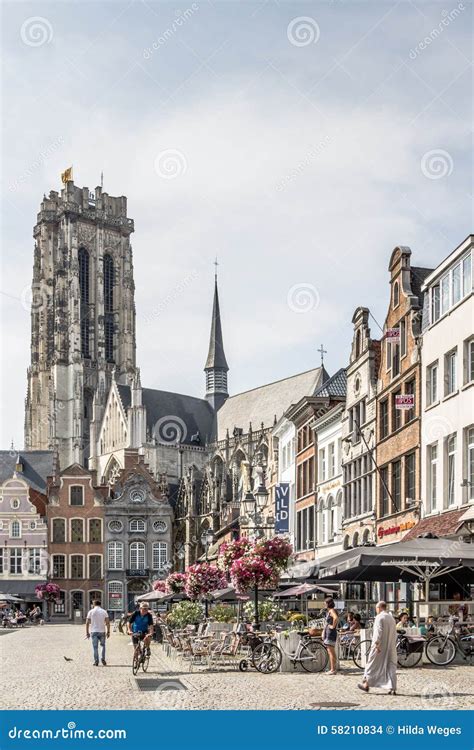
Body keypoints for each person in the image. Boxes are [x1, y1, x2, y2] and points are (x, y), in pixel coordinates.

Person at [358, 601, 397, 695]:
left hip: (379, 647)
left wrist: (376, 644)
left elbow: (378, 632)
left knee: (371, 664)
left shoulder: (380, 617)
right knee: (390, 666)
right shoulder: (391, 618)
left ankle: (366, 684)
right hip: (390, 646)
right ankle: (393, 687)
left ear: (379, 608)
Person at [85, 599, 110, 666]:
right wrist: (108, 632)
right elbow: (107, 622)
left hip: (94, 631)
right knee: (103, 645)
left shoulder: (91, 612)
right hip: (102, 631)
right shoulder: (104, 612)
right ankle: (103, 658)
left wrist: (87, 632)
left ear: (94, 604)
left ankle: (96, 661)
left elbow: (87, 623)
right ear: (100, 604)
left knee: (95, 647)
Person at [322, 597, 339, 675]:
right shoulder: (330, 611)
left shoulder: (331, 611)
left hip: (330, 633)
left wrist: (332, 626)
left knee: (331, 652)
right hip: (329, 633)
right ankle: (333, 668)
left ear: (328, 604)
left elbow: (336, 618)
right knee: (331, 652)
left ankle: (332, 670)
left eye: (325, 603)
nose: (324, 604)